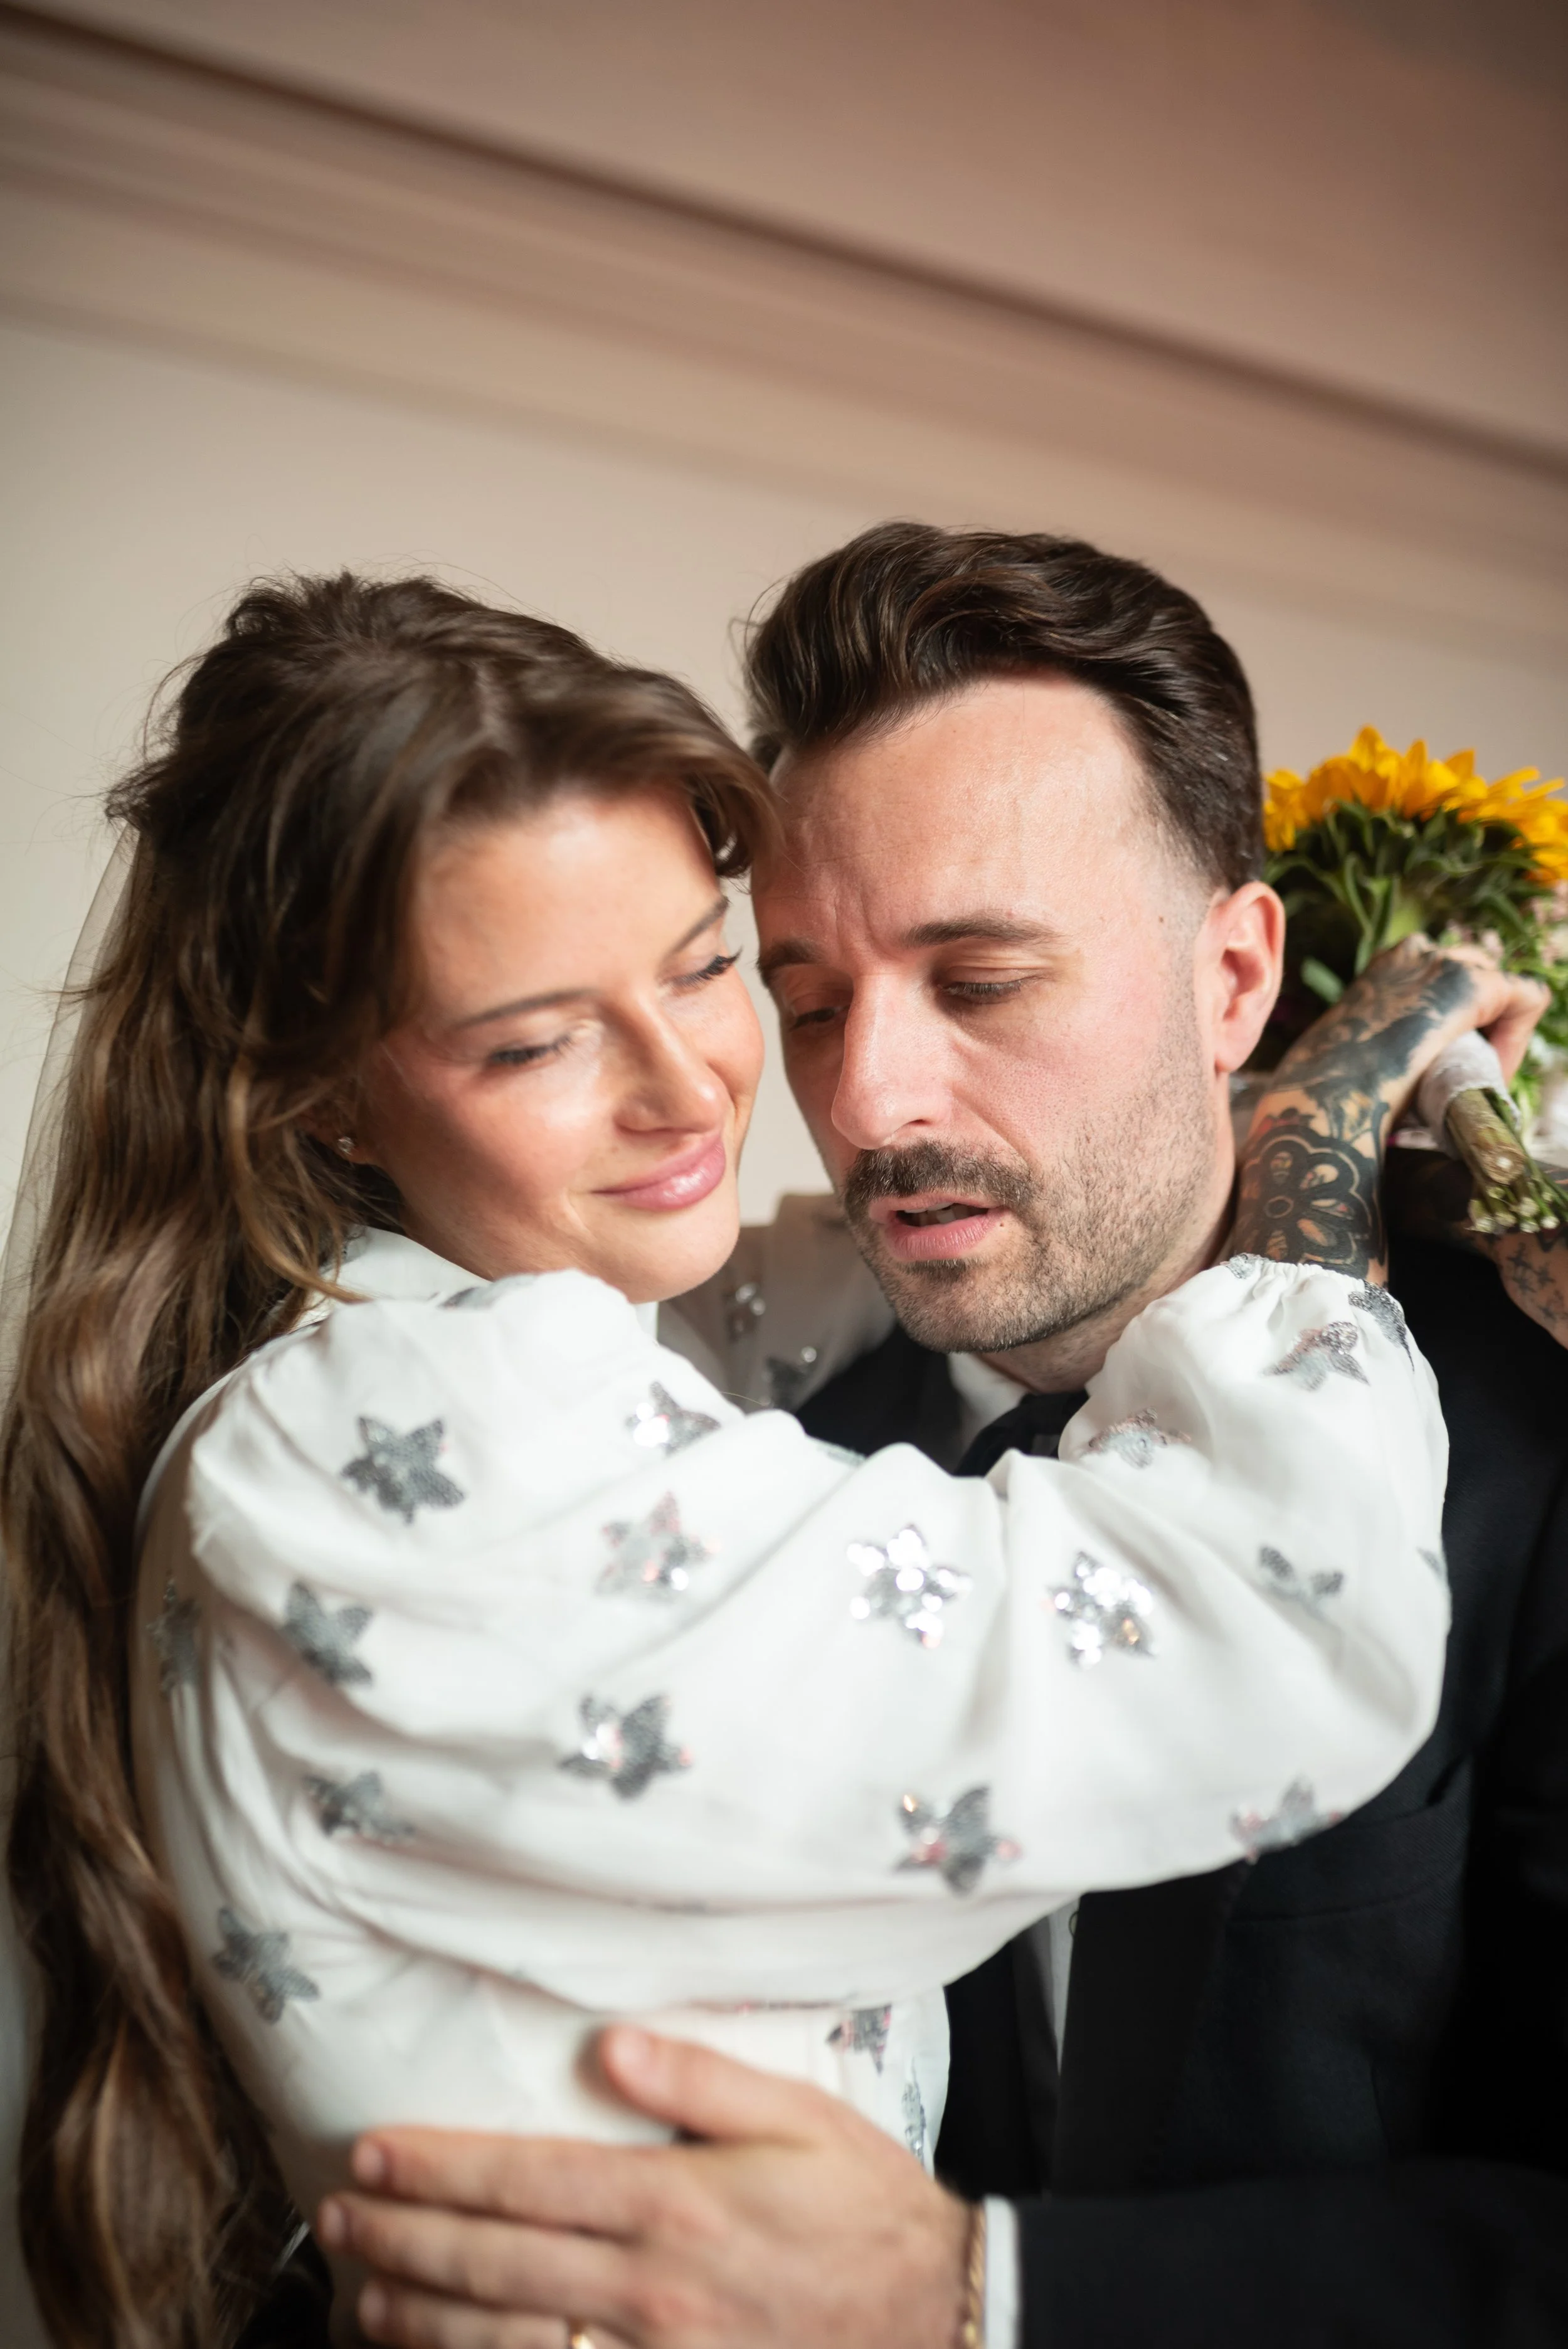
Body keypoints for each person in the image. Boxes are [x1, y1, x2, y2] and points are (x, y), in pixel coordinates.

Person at [0, 571, 1515, 2349]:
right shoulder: (402, 1445)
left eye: (709, 969)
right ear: (324, 1093)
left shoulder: (634, 1364)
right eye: (540, 1037)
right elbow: (1262, 1629)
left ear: (1235, 972)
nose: (771, 1096)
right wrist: (1313, 1155)